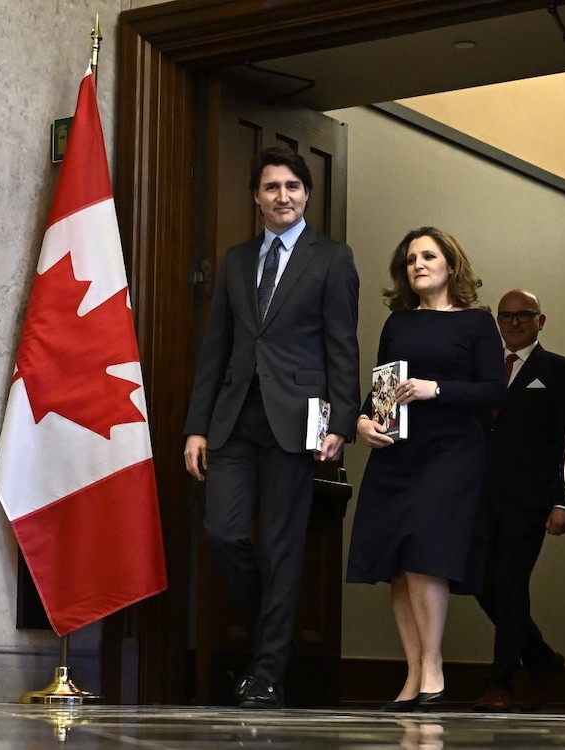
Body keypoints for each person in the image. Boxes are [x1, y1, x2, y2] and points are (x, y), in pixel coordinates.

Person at [183, 146, 360, 709]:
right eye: (271, 187)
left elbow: (342, 346)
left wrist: (339, 419)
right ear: (256, 197)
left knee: (283, 550)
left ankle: (265, 674)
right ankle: (270, 641)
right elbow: (216, 349)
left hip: (297, 422)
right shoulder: (236, 260)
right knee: (224, 533)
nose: (282, 196)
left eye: (292, 187)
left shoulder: (332, 258)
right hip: (234, 421)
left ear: (306, 194)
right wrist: (197, 427)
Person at [346, 227, 504, 711]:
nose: (418, 264)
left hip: (452, 451)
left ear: (451, 266)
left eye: (428, 256)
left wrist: (438, 389)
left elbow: (495, 392)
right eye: (411, 258)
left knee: (424, 551)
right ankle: (414, 672)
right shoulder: (398, 324)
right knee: (397, 563)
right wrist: (362, 422)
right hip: (398, 451)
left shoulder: (477, 322)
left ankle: (433, 666)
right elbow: (382, 391)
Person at [474, 288, 565, 712]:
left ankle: (499, 682)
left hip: (531, 502)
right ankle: (540, 658)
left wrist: (563, 502)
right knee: (483, 585)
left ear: (541, 320)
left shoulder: (559, 371)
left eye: (525, 314)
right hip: (480, 500)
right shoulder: (483, 371)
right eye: (506, 316)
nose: (515, 322)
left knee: (511, 586)